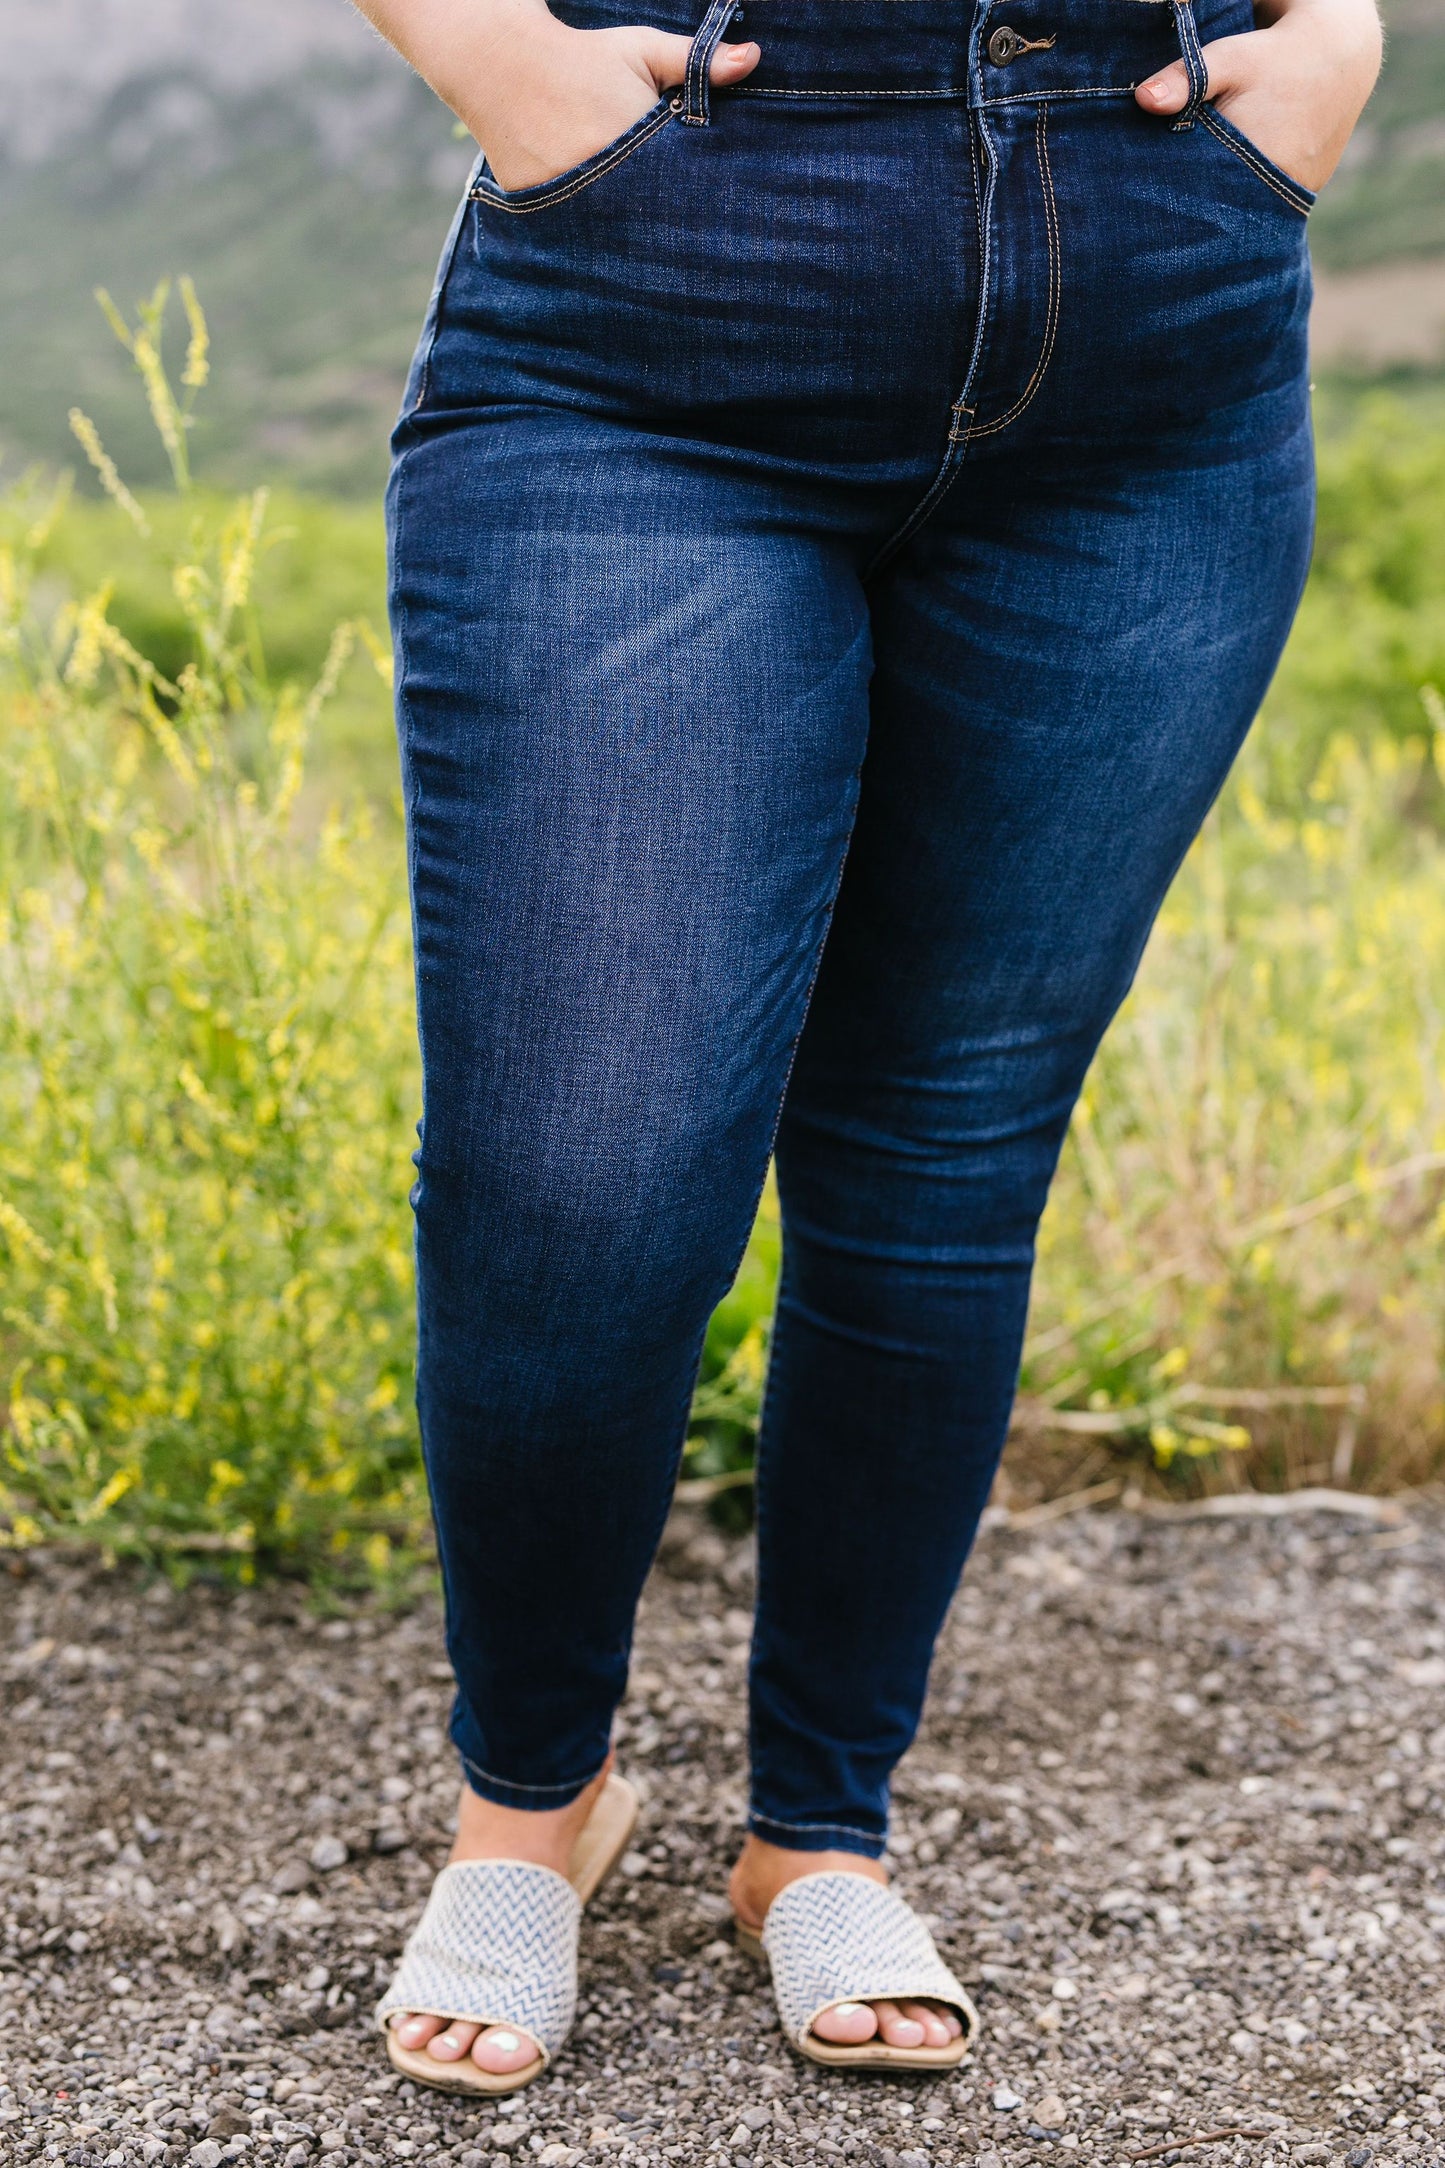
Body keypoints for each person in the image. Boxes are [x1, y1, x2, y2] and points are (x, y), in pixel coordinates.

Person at [352, 0, 1381, 2096]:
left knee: (944, 1150)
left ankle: (817, 1825)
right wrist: (500, 64)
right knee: (586, 1175)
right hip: (665, 283)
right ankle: (533, 1794)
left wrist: (1339, 33)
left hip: (1158, 309)